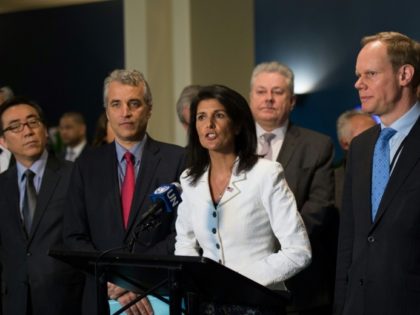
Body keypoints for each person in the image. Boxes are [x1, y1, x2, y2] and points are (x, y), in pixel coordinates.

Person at [175, 84, 311, 314]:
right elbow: (184, 243)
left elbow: (299, 251)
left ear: (238, 125)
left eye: (219, 115)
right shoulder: (189, 179)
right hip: (206, 304)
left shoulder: (266, 173)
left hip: (257, 302)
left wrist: (238, 282)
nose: (209, 124)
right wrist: (197, 281)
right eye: (201, 117)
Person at [63, 69, 186, 315]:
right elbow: (74, 236)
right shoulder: (86, 165)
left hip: (157, 296)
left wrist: (136, 279)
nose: (125, 113)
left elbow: (181, 233)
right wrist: (114, 281)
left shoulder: (178, 159)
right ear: (107, 112)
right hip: (101, 296)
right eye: (116, 104)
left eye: (134, 104)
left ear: (149, 109)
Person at [334, 31, 420, 315]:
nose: (359, 84)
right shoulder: (360, 147)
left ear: (404, 74)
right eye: (358, 75)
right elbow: (350, 237)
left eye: (370, 74)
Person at [249, 61, 337, 315]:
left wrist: (275, 248)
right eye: (261, 91)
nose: (269, 99)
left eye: (277, 92)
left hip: (300, 287)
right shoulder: (231, 144)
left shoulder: (318, 145)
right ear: (251, 98)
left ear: (292, 101)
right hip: (239, 280)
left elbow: (319, 207)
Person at [0, 97, 84, 315]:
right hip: (14, 303)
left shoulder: (74, 174)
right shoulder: (2, 185)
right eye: (15, 127)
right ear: (3, 141)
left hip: (65, 300)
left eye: (32, 122)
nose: (27, 131)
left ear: (45, 130)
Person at [334, 109, 376, 209]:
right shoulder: (332, 181)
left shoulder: (393, 169)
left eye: (377, 132)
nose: (375, 139)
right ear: (344, 143)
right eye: (366, 135)